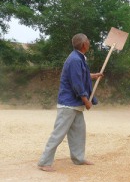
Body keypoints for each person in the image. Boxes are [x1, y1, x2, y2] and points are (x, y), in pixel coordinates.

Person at [38, 33, 103, 172]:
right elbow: (77, 83)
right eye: (88, 40)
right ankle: (44, 162)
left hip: (75, 104)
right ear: (84, 45)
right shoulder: (75, 60)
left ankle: (78, 159)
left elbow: (81, 75)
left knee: (79, 132)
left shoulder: (78, 58)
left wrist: (93, 75)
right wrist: (86, 101)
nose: (89, 42)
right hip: (68, 104)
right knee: (58, 133)